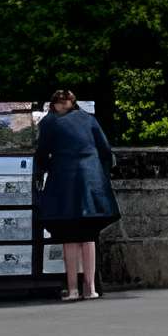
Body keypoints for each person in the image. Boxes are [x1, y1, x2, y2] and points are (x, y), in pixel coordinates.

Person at [32, 88, 119, 301]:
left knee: (69, 236)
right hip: (92, 181)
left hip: (65, 182)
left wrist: (44, 169)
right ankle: (90, 289)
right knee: (89, 235)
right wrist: (102, 172)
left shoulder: (49, 122)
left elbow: (42, 154)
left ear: (54, 105)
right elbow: (105, 149)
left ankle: (72, 289)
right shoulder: (88, 119)